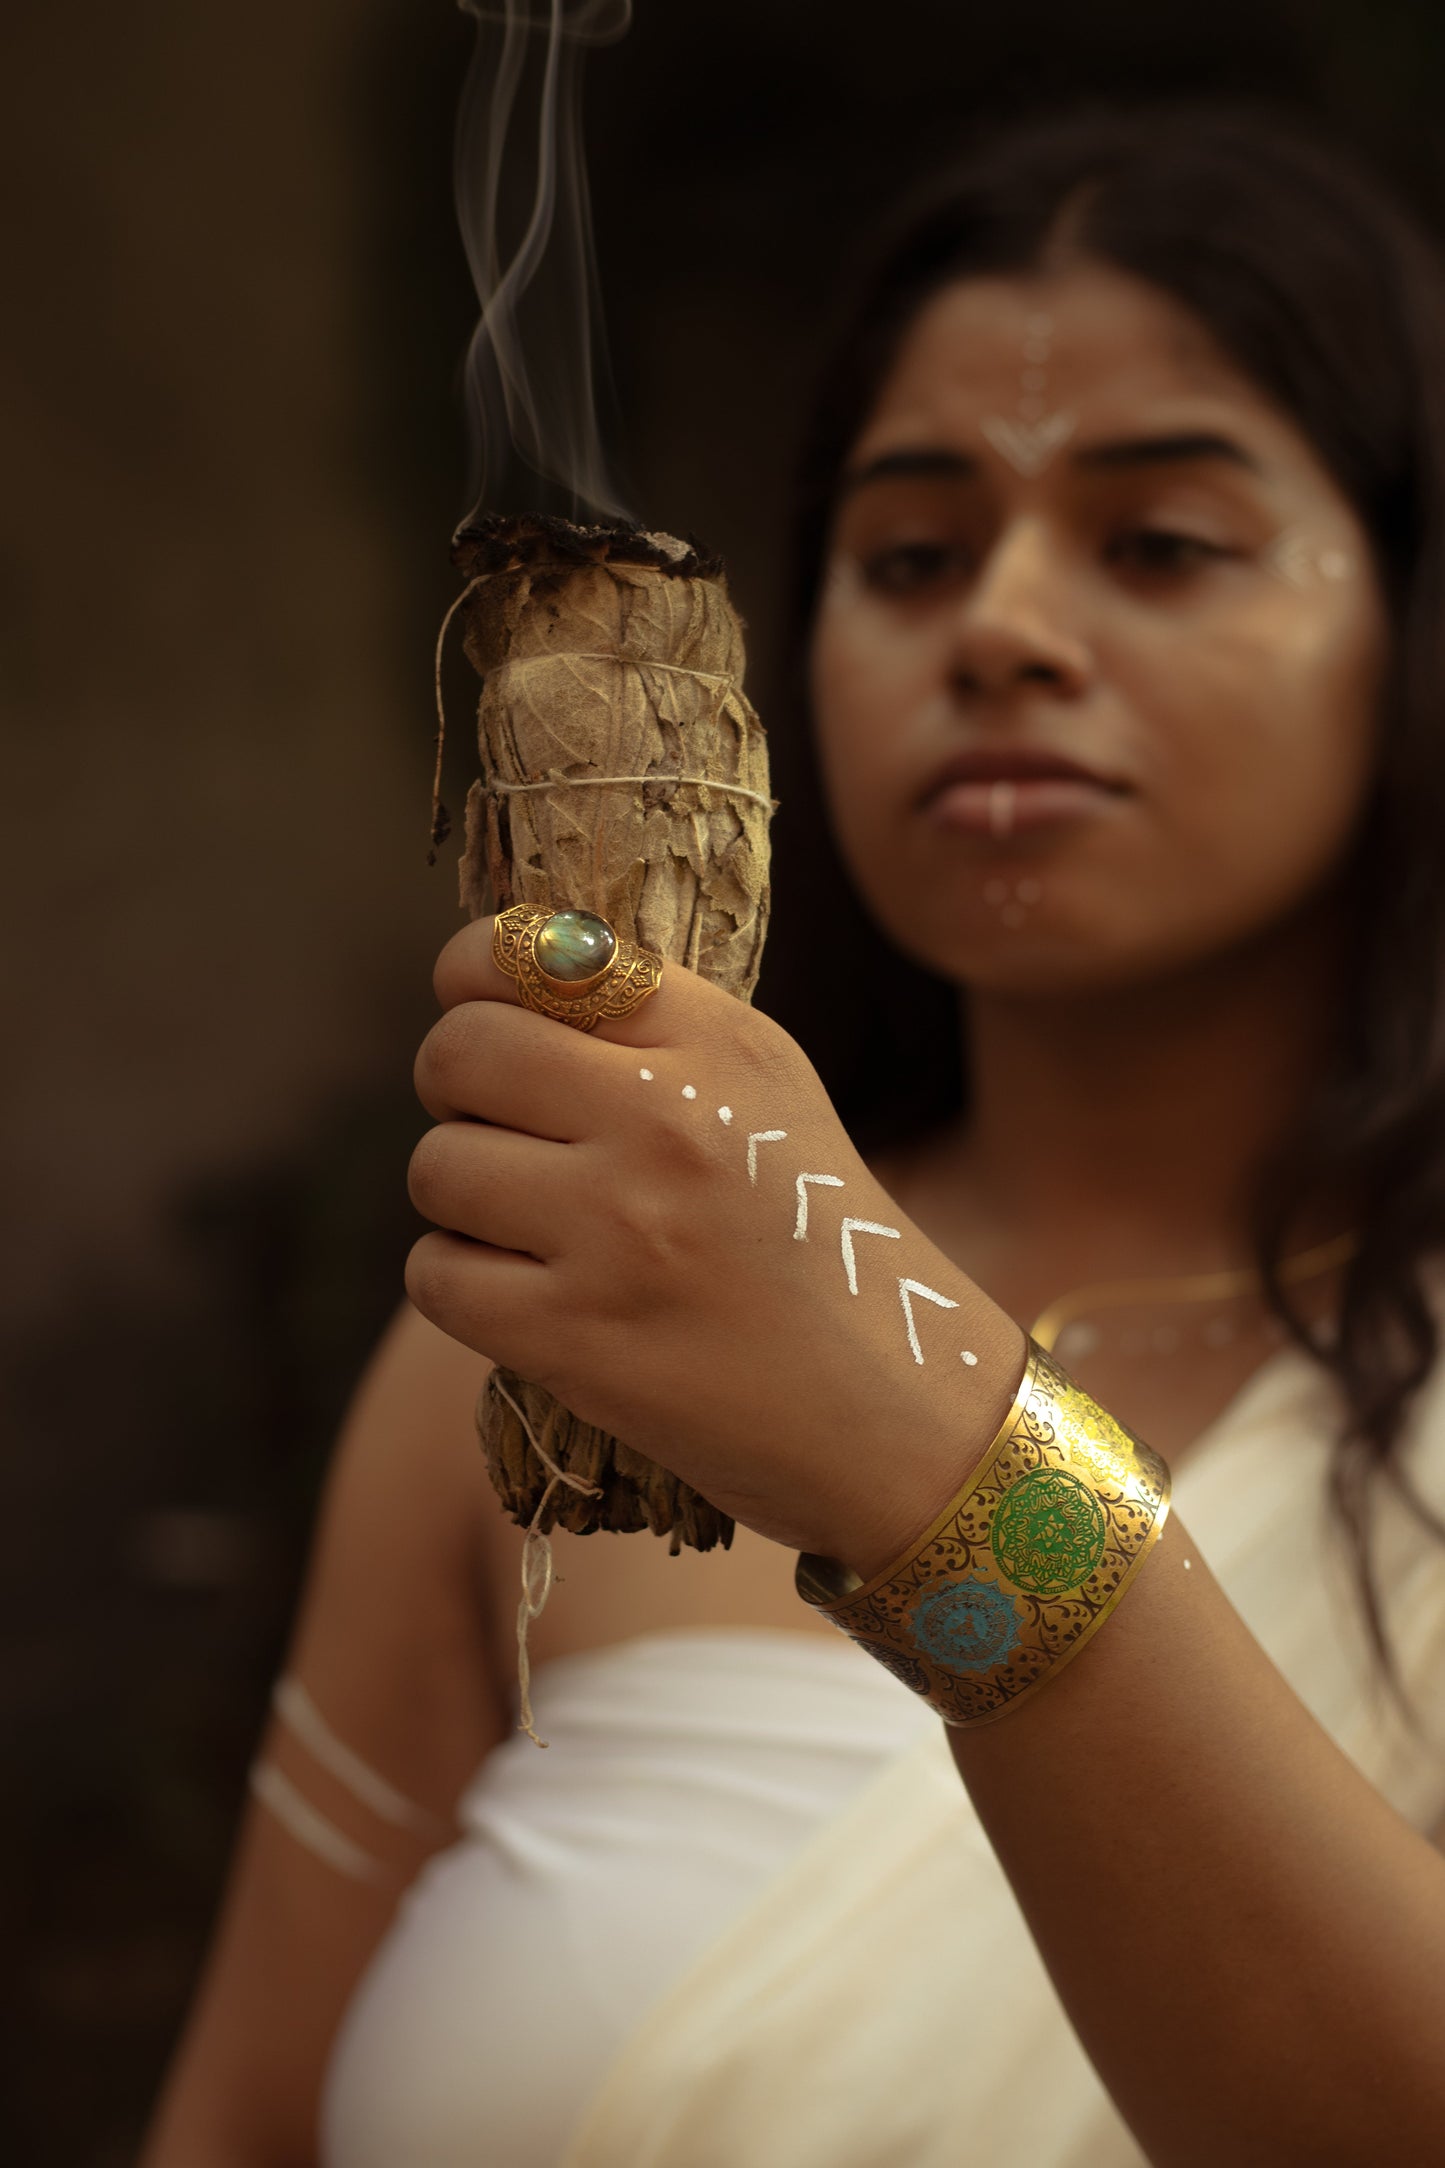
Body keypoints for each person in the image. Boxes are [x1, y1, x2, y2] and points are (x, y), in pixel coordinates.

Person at [141, 104, 1445, 2168]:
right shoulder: (560, 1342)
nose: (1000, 625)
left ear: (1407, 640)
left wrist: (930, 1446)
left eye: (1161, 540)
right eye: (911, 553)